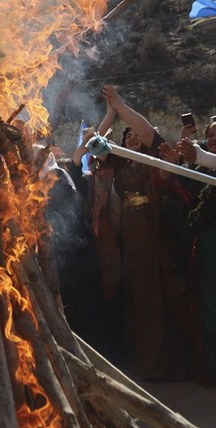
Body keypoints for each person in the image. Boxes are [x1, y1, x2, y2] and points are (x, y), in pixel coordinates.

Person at [86, 85, 194, 380]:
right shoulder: (120, 162)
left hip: (151, 228)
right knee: (135, 292)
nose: (132, 136)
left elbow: (147, 132)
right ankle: (141, 361)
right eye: (127, 134)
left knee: (153, 290)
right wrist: (109, 114)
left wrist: (121, 106)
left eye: (135, 134)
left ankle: (159, 364)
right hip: (129, 235)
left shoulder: (152, 156)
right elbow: (92, 143)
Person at [180, 121, 216, 387]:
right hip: (207, 241)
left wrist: (201, 156)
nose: (213, 138)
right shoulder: (198, 168)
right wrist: (179, 161)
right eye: (210, 135)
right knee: (209, 306)